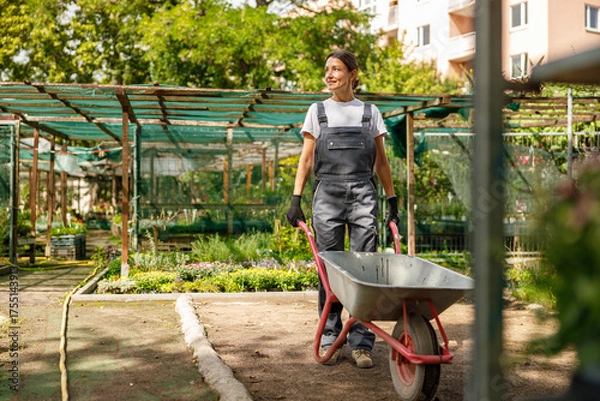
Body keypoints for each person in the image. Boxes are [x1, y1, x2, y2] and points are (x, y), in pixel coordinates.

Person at [286, 49, 400, 368]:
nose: (329, 74)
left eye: (336, 69)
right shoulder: (317, 111)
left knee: (364, 267)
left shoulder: (370, 112)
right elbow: (307, 159)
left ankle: (362, 342)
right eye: (326, 69)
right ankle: (330, 338)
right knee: (331, 268)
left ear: (353, 73)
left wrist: (392, 202)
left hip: (363, 191)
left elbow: (381, 162)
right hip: (328, 193)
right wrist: (296, 199)